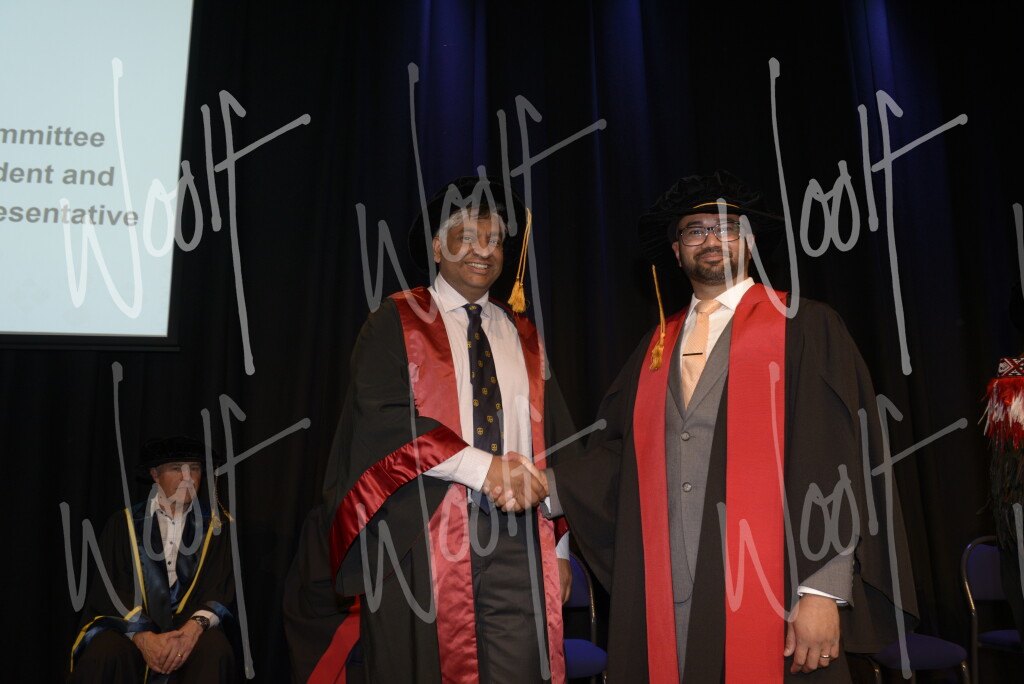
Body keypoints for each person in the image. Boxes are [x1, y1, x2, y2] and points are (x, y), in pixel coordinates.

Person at [538, 171, 917, 682]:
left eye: (726, 227)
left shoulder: (803, 325)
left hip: (777, 586)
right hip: (669, 588)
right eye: (695, 230)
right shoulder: (654, 348)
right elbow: (619, 457)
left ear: (750, 241)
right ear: (677, 252)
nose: (711, 239)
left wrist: (822, 591)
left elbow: (837, 457)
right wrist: (544, 486)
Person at [322, 176, 577, 683]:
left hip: (519, 541)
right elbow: (384, 420)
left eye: (495, 239)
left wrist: (560, 547)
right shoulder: (395, 321)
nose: (484, 250)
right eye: (467, 236)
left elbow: (557, 441)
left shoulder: (523, 335)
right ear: (437, 247)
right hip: (419, 537)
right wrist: (487, 470)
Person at [69, 436, 237, 684]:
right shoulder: (124, 524)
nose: (188, 478)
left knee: (215, 651)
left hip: (191, 624)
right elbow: (111, 587)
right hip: (133, 625)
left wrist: (191, 631)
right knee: (103, 654)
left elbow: (220, 587)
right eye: (176, 468)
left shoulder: (217, 526)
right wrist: (143, 636)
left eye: (195, 468)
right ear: (155, 474)